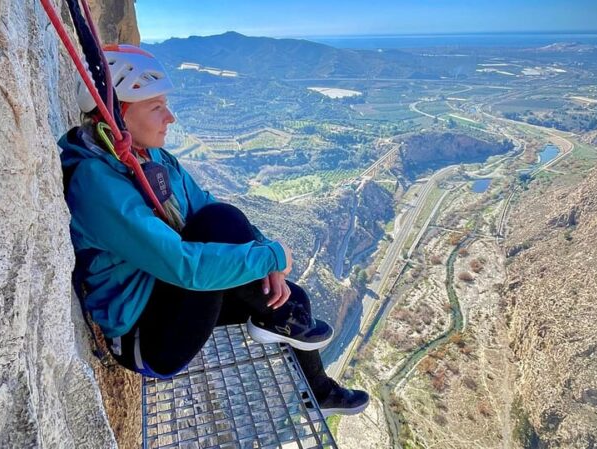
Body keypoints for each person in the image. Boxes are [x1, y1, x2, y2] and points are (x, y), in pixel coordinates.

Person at [59, 44, 368, 416]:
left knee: (288, 294)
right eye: (156, 107)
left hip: (164, 293)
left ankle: (318, 389)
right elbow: (185, 267)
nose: (169, 118)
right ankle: (277, 320)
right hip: (147, 338)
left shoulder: (149, 158)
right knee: (227, 234)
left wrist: (265, 254)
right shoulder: (97, 183)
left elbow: (203, 204)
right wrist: (270, 256)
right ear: (117, 118)